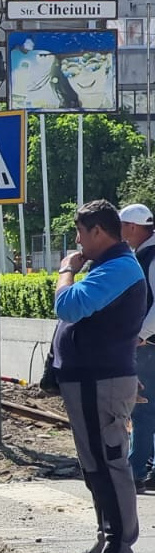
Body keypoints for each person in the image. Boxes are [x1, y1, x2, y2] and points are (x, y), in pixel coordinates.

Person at [55, 200, 146, 553]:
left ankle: (119, 551)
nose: (77, 241)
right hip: (91, 379)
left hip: (101, 381)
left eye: (80, 232)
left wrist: (65, 271)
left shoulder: (120, 268)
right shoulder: (108, 266)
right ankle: (105, 539)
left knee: (109, 463)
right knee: (94, 464)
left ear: (97, 231)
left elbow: (68, 306)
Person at [120, 202, 155, 493]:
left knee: (141, 406)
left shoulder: (150, 257)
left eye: (121, 227)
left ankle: (136, 470)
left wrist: (140, 335)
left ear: (133, 227)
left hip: (149, 345)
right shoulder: (145, 255)